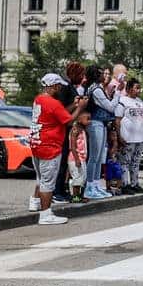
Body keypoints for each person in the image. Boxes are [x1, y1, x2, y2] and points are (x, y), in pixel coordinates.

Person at [30, 74, 87, 225]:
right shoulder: (52, 103)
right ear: (54, 86)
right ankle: (45, 214)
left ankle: (37, 205)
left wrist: (74, 105)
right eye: (59, 86)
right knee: (48, 182)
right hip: (50, 146)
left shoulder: (39, 99)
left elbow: (59, 113)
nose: (60, 88)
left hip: (37, 143)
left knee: (42, 179)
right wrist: (80, 107)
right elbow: (68, 121)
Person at [51, 61, 86, 204]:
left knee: (64, 162)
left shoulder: (70, 87)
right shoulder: (65, 88)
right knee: (61, 162)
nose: (83, 78)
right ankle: (56, 191)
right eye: (81, 74)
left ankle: (62, 189)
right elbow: (62, 111)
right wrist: (77, 105)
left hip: (68, 128)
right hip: (62, 130)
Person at [84, 64, 120, 200]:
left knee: (99, 157)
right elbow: (110, 107)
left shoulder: (97, 88)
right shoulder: (96, 90)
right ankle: (90, 186)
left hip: (101, 123)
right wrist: (116, 94)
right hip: (95, 123)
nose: (103, 76)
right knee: (94, 157)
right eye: (101, 73)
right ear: (95, 75)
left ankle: (96, 184)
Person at [116, 78, 143, 195]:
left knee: (135, 162)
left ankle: (134, 183)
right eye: (136, 88)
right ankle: (124, 184)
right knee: (125, 162)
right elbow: (117, 119)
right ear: (128, 89)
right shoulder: (122, 101)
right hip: (128, 138)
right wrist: (119, 136)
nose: (138, 90)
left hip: (140, 137)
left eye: (139, 88)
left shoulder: (140, 102)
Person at [68, 112, 90, 203]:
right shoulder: (75, 130)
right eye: (87, 119)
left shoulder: (83, 130)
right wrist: (77, 159)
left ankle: (80, 196)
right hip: (75, 158)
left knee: (83, 178)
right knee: (77, 178)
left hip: (82, 158)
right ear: (79, 119)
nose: (90, 121)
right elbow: (72, 146)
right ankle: (75, 196)